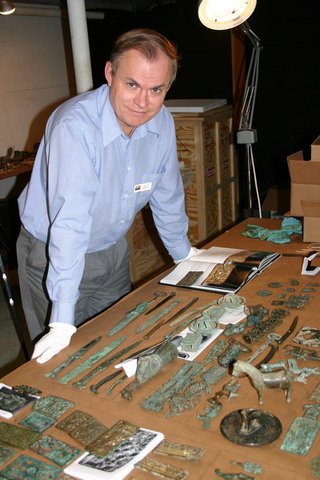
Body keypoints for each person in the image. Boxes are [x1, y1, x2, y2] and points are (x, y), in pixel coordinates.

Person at [17, 28, 197, 365]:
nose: (143, 102)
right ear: (110, 74)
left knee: (118, 340)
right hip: (53, 253)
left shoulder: (163, 123)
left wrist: (184, 255)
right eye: (132, 85)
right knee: (60, 362)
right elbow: (70, 222)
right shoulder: (75, 126)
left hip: (112, 249)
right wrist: (61, 318)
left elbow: (167, 193)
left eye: (155, 89)